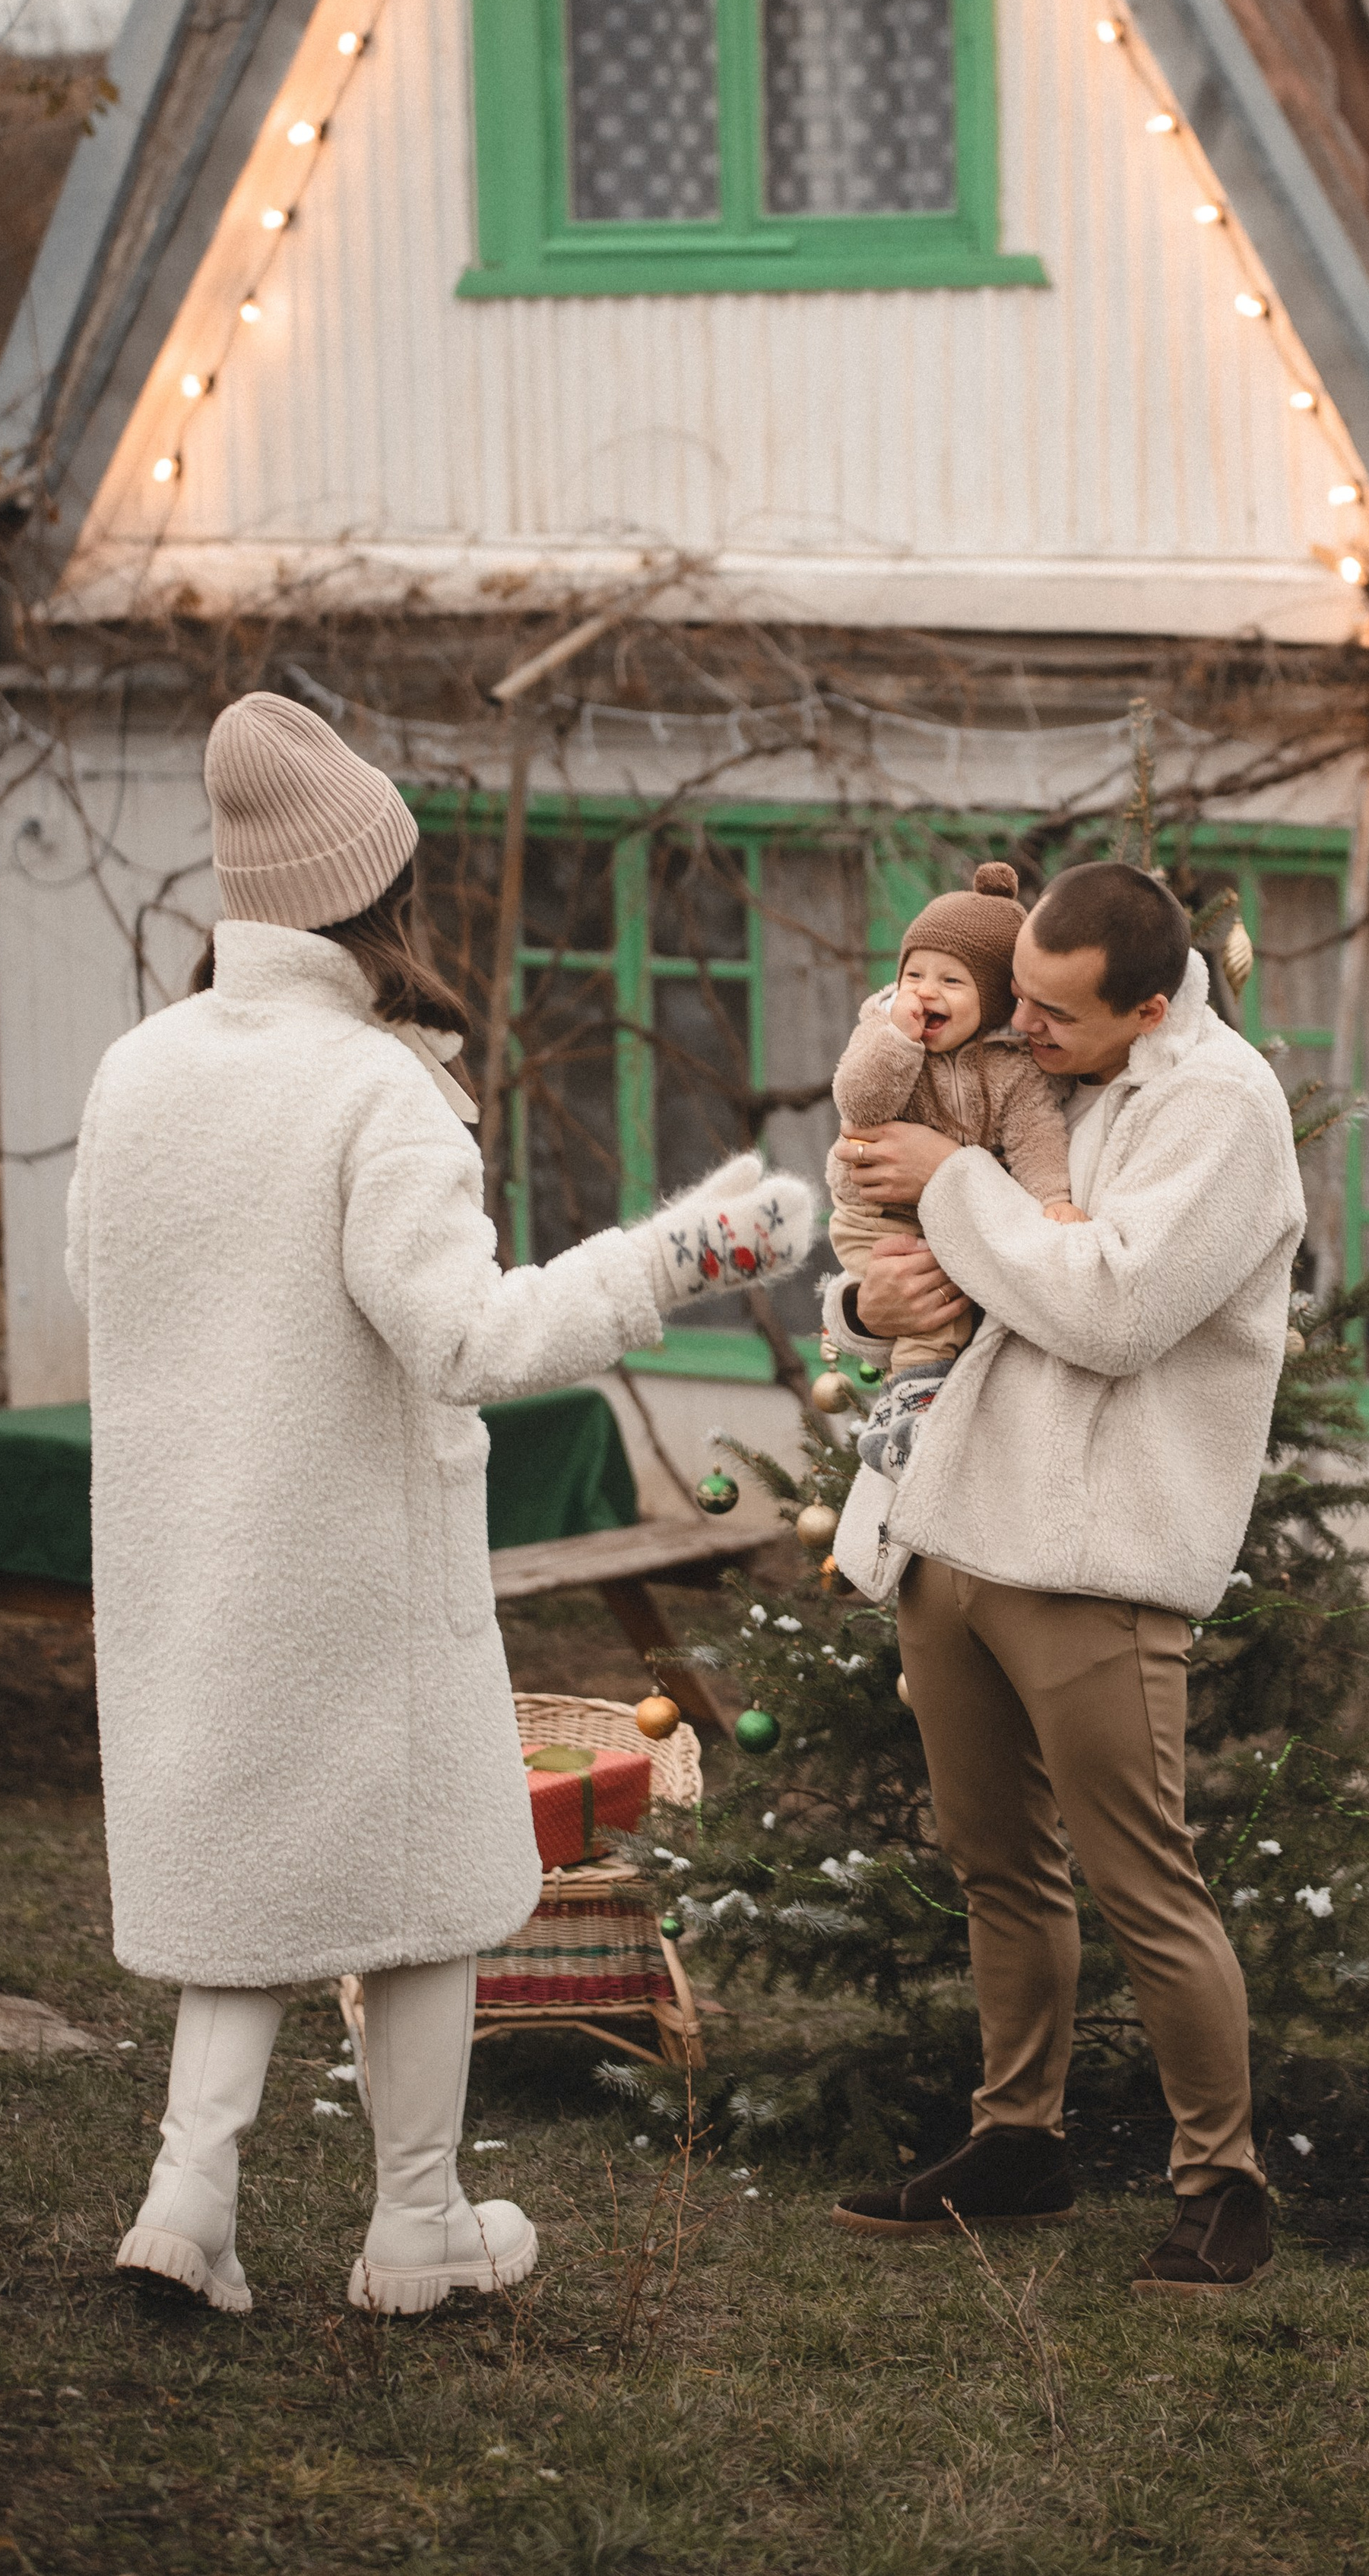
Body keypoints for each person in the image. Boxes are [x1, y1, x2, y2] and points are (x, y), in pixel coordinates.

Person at [66, 692, 812, 2317]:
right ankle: (415, 2221)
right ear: (376, 890)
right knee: (419, 1885)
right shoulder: (375, 1088)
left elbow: (100, 1285)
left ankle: (188, 2197)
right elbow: (471, 1342)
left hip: (192, 1549)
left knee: (246, 1864)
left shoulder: (139, 1071)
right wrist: (676, 1257)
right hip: (355, 1557)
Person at [824, 861, 1305, 2296]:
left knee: (1142, 1878)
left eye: (1053, 1013)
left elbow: (1112, 1309)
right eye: (1016, 993)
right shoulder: (1037, 1057)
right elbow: (914, 1252)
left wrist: (951, 1180)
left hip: (1094, 1549)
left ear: (1149, 1010)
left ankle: (1222, 2182)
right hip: (950, 1518)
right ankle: (1016, 2141)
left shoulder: (1220, 1111)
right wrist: (860, 1304)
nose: (1019, 1027)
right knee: (996, 1866)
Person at [826, 862, 1081, 1477]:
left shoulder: (1013, 1069)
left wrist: (1053, 1198)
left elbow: (1037, 1136)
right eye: (913, 974)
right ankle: (910, 1410)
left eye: (951, 980)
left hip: (946, 1224)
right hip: (873, 1216)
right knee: (922, 1295)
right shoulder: (883, 1032)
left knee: (944, 1300)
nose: (925, 992)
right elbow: (859, 1102)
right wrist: (898, 1040)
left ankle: (906, 1415)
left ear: (993, 999)